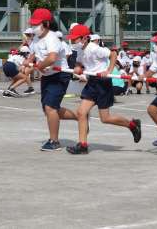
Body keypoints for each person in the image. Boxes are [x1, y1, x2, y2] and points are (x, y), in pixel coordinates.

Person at [64, 25, 141, 154]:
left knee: (105, 118)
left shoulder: (94, 48)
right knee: (81, 112)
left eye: (74, 39)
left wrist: (108, 70)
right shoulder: (80, 51)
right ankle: (83, 145)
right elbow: (79, 63)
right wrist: (78, 67)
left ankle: (132, 125)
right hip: (92, 82)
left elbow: (113, 54)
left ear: (84, 38)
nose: (72, 42)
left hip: (102, 83)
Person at [26, 8, 78, 151]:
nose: (34, 27)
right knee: (48, 109)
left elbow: (52, 58)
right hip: (47, 76)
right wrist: (27, 62)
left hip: (59, 76)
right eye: (33, 24)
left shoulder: (52, 38)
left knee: (50, 107)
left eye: (37, 24)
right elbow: (32, 54)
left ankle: (54, 141)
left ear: (47, 24)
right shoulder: (36, 38)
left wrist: (39, 66)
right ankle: (80, 117)